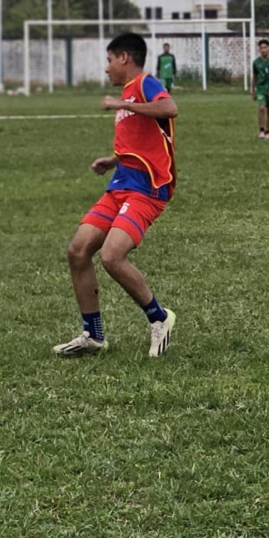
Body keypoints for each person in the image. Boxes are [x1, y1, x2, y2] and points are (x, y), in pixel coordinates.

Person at [54, 32, 178, 359]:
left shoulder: (143, 84)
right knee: (78, 250)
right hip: (120, 183)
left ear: (124, 57)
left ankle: (160, 318)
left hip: (147, 188)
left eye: (109, 60)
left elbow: (170, 107)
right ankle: (92, 335)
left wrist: (125, 104)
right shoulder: (129, 94)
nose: (107, 68)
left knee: (111, 256)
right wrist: (113, 160)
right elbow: (141, 141)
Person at [252, 39, 269, 140]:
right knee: (261, 107)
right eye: (261, 48)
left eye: (265, 47)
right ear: (259, 49)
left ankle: (268, 132)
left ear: (268, 48)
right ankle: (261, 130)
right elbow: (254, 77)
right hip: (260, 89)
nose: (263, 50)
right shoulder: (256, 63)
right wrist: (253, 90)